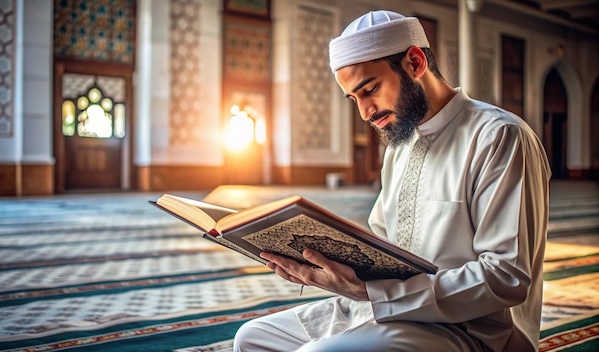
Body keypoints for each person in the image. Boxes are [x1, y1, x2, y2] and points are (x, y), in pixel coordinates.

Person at [233, 9, 551, 352]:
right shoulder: (399, 147)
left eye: (369, 90)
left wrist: (376, 293)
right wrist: (327, 269)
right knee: (251, 338)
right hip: (384, 311)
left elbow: (506, 278)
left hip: (470, 331)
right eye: (354, 99)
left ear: (415, 62)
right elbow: (381, 250)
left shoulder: (499, 137)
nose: (365, 112)